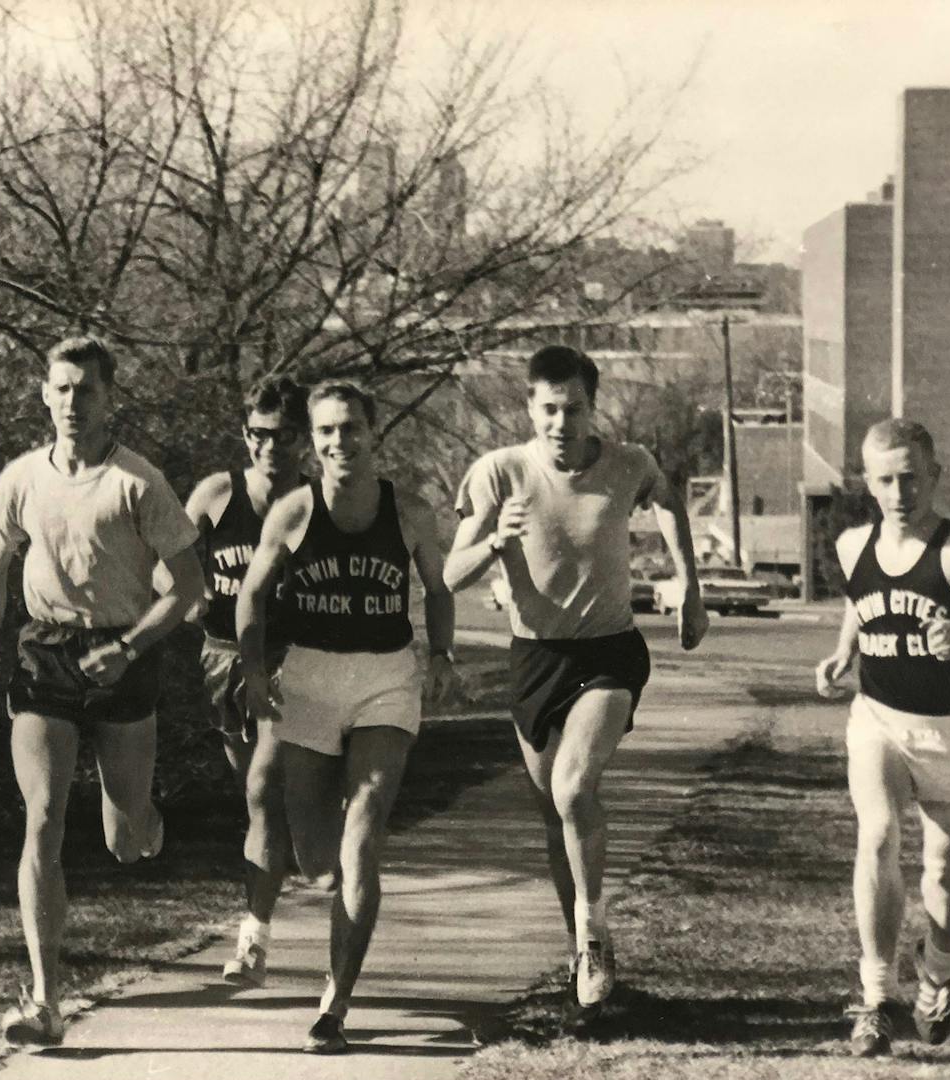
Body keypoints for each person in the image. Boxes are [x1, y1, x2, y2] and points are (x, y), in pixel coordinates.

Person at [444, 345, 709, 1012]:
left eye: (576, 409)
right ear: (530, 408)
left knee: (573, 787)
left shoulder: (627, 465)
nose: (562, 423)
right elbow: (448, 575)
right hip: (536, 661)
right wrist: (493, 542)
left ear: (595, 408)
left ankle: (592, 938)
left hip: (608, 654)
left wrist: (690, 586)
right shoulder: (498, 473)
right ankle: (583, 953)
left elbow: (669, 502)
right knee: (556, 816)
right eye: (549, 409)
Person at [0, 336, 204, 1047]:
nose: (73, 402)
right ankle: (45, 1000)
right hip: (44, 653)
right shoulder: (21, 477)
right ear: (45, 395)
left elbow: (191, 585)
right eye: (62, 389)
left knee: (125, 838)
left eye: (87, 391)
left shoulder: (138, 482)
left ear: (110, 400)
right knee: (43, 818)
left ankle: (140, 809)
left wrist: (130, 647)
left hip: (123, 650)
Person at [236, 380, 458, 1054]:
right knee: (314, 853)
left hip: (385, 680)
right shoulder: (293, 513)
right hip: (308, 677)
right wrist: (250, 671)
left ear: (373, 433)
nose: (340, 442)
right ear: (312, 439)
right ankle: (333, 891)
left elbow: (438, 588)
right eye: (327, 431)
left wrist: (443, 653)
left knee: (363, 836)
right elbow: (251, 595)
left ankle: (334, 1005)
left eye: (352, 429)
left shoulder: (411, 512)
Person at [815, 419, 950, 1057]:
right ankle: (876, 998)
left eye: (911, 476)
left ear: (934, 476)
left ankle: (938, 968)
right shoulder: (855, 544)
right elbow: (860, 603)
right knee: (879, 836)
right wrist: (840, 655)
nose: (898, 490)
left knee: (944, 871)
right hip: (878, 719)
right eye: (884, 478)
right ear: (867, 482)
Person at [182, 376, 310, 987]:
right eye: (258, 434)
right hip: (222, 657)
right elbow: (168, 562)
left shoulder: (316, 502)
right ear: (245, 435)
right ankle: (286, 870)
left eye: (283, 435)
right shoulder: (216, 493)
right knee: (259, 801)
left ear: (302, 440)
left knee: (264, 788)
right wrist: (186, 593)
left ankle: (251, 943)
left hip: (290, 658)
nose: (269, 447)